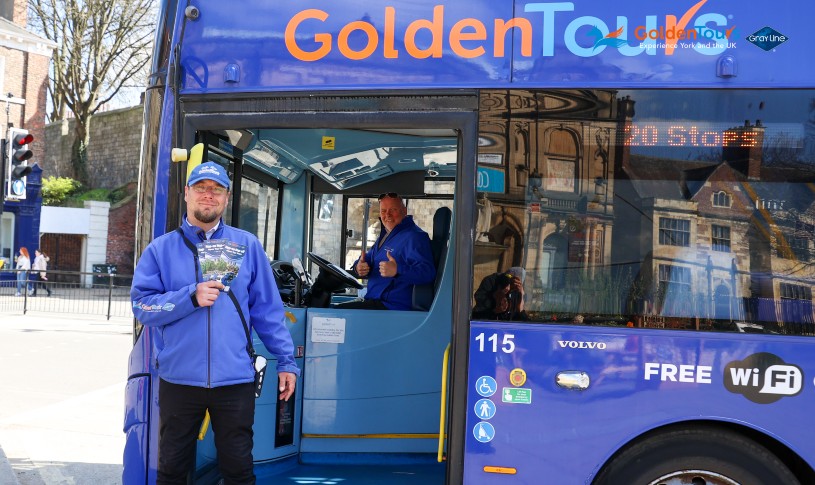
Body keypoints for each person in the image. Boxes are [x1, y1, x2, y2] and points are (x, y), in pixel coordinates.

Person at [130, 162, 299, 485]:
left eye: (217, 190)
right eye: (201, 188)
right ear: (187, 194)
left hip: (234, 379)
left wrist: (288, 362)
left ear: (226, 198)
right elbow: (143, 306)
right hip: (179, 379)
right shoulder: (160, 250)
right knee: (173, 469)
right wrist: (190, 297)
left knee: (238, 469)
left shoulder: (247, 246)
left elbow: (268, 311)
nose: (209, 196)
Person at [338, 193, 435, 310]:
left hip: (391, 307)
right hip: (375, 301)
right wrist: (359, 267)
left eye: (393, 210)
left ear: (404, 211)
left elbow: (427, 273)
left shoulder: (415, 237)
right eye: (383, 211)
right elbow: (367, 258)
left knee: (333, 315)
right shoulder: (386, 236)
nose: (387, 215)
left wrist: (397, 270)